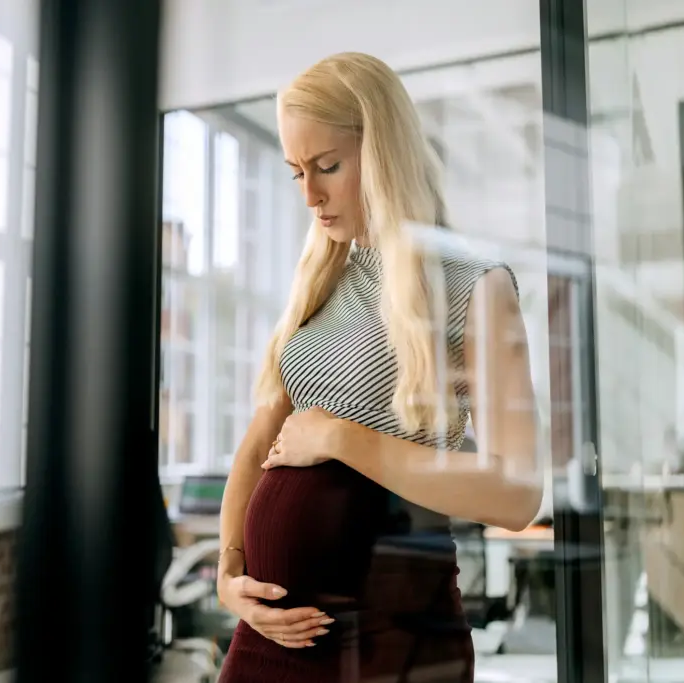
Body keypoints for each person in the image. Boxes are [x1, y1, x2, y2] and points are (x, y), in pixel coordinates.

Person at [215, 52, 541, 683]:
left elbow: (519, 494)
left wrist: (342, 437)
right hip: (270, 635)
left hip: (391, 636)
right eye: (296, 173)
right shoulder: (321, 276)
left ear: (383, 150)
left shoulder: (475, 286)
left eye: (327, 167)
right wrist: (231, 575)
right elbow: (258, 445)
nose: (310, 195)